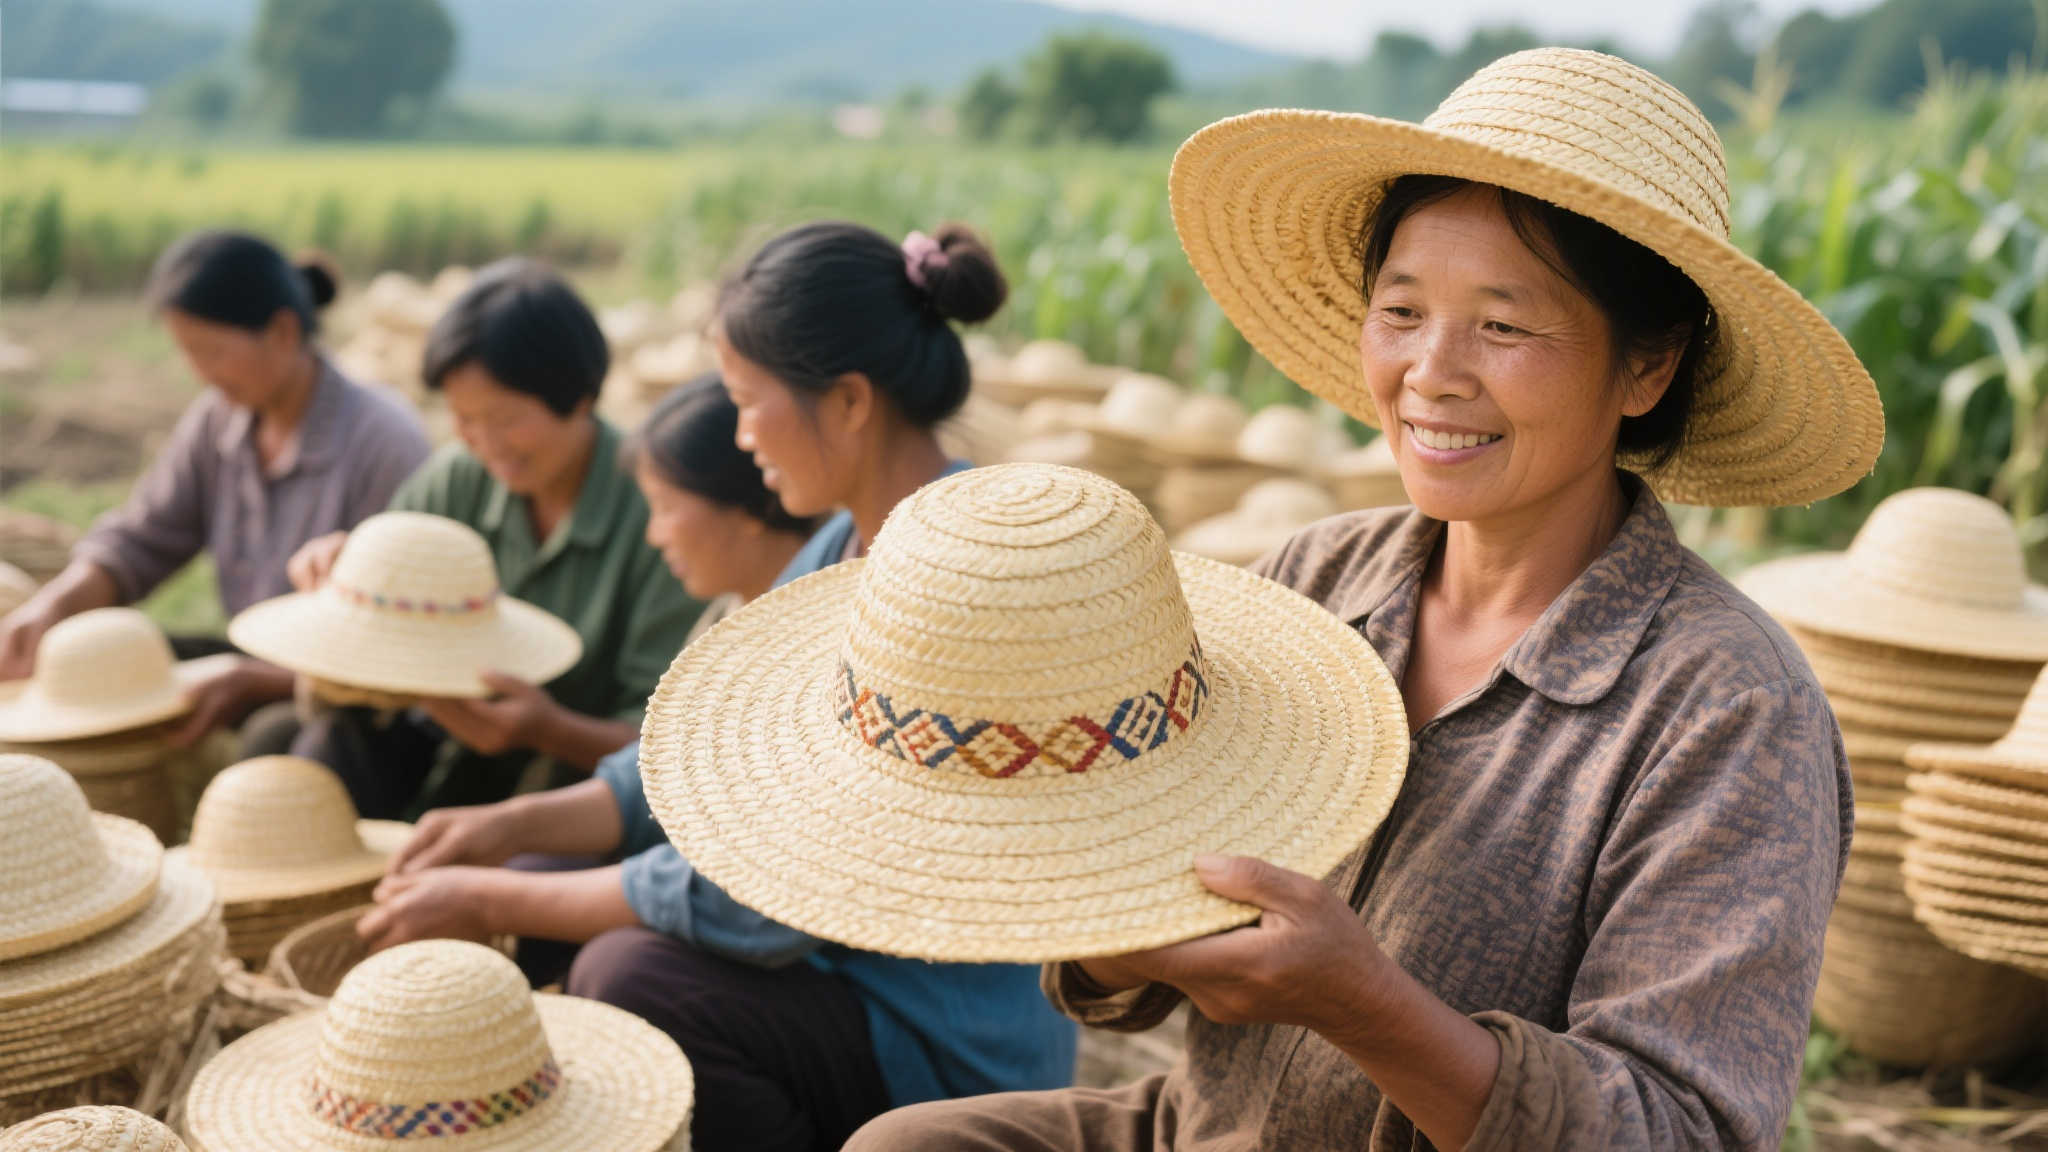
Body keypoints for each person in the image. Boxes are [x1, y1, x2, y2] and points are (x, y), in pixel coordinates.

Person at [849, 47, 1881, 1152]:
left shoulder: (1724, 706)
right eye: (1400, 310)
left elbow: (1680, 1133)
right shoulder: (1314, 582)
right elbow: (1119, 959)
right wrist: (1117, 924)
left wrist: (1364, 1006)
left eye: (1502, 324)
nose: (1430, 372)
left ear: (1646, 368)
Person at [363, 222, 1075, 1152]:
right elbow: (707, 768)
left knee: (628, 972)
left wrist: (492, 897)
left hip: (938, 1038)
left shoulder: (948, 580)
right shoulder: (841, 545)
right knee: (541, 881)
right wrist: (506, 833)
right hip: (841, 978)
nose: (741, 436)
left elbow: (763, 897)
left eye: (748, 401)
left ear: (850, 401)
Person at [286, 259, 701, 818]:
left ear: (579, 397)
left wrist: (550, 732)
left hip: (582, 782)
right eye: (464, 417)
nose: (485, 442)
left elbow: (666, 742)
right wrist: (347, 574)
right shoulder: (459, 476)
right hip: (441, 745)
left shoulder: (654, 514)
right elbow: (381, 609)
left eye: (506, 418)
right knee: (296, 747)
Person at [0, 230, 430, 746]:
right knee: (98, 665)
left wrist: (259, 682)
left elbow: (401, 647)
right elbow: (142, 540)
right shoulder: (218, 422)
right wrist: (54, 607)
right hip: (245, 658)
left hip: (356, 694)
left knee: (281, 736)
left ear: (283, 332)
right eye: (189, 353)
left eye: (212, 351)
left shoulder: (384, 443)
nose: (201, 373)